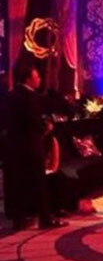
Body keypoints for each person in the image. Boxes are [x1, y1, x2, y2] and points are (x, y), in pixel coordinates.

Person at [2, 61, 67, 230]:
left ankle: (18, 219)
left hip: (12, 147)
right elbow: (34, 123)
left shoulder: (10, 95)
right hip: (30, 147)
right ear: (28, 79)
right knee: (38, 183)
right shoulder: (30, 97)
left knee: (17, 183)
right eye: (37, 77)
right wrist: (47, 126)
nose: (39, 80)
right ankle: (45, 218)